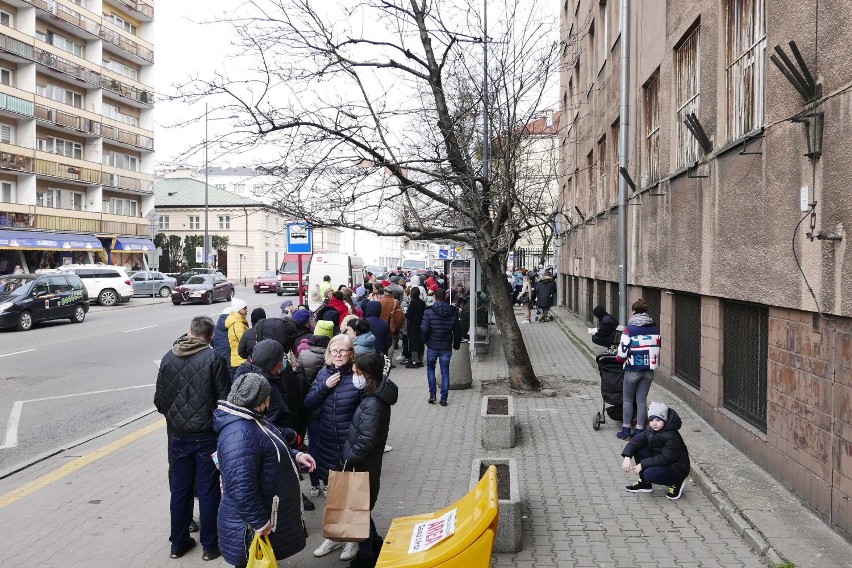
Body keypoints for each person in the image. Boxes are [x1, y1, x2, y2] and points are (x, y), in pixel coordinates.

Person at [214, 373, 317, 567]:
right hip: (248, 527)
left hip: (257, 519)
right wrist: (260, 522)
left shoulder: (251, 419)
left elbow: (271, 442)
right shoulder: (240, 433)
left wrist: (295, 455)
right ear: (260, 400)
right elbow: (241, 487)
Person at [154, 316, 230, 561]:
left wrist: (176, 418)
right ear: (210, 337)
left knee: (180, 489)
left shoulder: (168, 357)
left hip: (178, 436)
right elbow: (224, 399)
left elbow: (159, 400)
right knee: (208, 490)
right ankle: (210, 546)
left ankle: (177, 543)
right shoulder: (214, 359)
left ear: (189, 333)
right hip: (207, 436)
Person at [304, 334, 362, 562]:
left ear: (351, 354)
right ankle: (335, 536)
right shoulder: (323, 374)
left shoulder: (358, 376)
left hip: (350, 444)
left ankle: (353, 540)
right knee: (335, 493)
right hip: (328, 442)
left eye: (342, 351)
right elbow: (308, 404)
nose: (337, 355)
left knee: (353, 492)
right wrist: (324, 388)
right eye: (334, 351)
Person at [341, 353, 398, 568]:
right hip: (367, 463)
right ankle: (374, 544)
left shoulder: (373, 401)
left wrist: (349, 458)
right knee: (361, 508)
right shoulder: (373, 394)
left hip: (363, 464)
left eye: (357, 373)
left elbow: (366, 440)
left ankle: (366, 557)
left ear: (368, 374)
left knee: (359, 510)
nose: (354, 376)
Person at [621, 401, 690, 500]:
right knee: (639, 448)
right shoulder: (651, 429)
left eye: (658, 419)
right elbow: (636, 441)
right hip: (662, 460)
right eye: (652, 419)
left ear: (665, 420)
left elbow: (665, 458)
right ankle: (645, 484)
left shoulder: (672, 436)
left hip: (677, 467)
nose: (654, 423)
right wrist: (627, 457)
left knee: (649, 473)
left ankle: (676, 482)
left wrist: (642, 464)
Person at [615, 299, 661, 440]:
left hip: (632, 369)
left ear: (633, 312)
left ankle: (625, 430)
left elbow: (622, 353)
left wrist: (619, 359)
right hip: (649, 370)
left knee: (628, 400)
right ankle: (640, 430)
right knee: (642, 401)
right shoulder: (655, 329)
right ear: (647, 312)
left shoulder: (629, 330)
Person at [421, 289, 461, 406]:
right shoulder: (453, 311)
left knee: (431, 369)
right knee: (445, 372)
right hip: (446, 346)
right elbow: (457, 329)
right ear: (445, 297)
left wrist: (425, 340)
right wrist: (456, 343)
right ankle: (444, 398)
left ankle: (432, 394)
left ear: (434, 297)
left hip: (432, 345)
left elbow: (424, 328)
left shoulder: (428, 311)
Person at [226, 298, 250, 379]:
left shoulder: (236, 321)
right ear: (238, 310)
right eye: (244, 308)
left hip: (237, 359)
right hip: (240, 360)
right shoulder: (238, 324)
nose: (247, 311)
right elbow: (243, 341)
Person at [404, 287, 426, 368]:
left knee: (413, 344)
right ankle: (420, 360)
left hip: (413, 326)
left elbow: (409, 315)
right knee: (420, 342)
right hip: (421, 325)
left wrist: (405, 313)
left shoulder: (412, 303)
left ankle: (414, 361)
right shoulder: (422, 303)